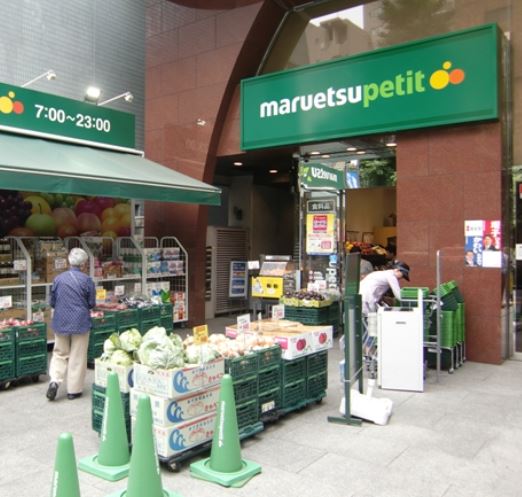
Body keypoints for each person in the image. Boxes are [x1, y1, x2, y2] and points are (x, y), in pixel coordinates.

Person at [46, 247, 96, 401]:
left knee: (59, 353)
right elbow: (91, 303)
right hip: (80, 322)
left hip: (61, 320)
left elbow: (52, 302)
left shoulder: (58, 279)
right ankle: (73, 390)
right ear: (83, 264)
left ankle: (55, 381)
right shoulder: (87, 280)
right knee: (77, 355)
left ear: (69, 262)